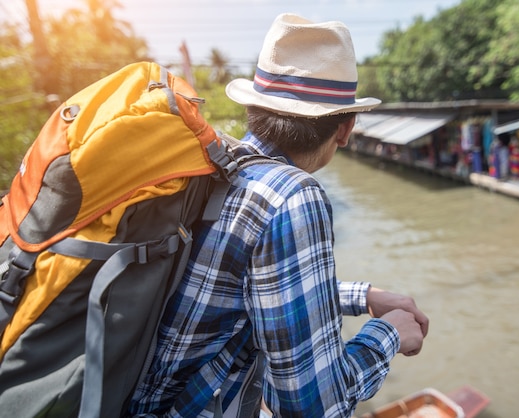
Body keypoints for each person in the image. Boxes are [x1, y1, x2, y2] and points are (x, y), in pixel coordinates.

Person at [129, 13, 429, 417]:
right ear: (346, 128)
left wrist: (361, 296)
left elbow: (241, 290)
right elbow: (312, 408)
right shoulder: (291, 198)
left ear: (254, 107)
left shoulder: (216, 166)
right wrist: (388, 333)